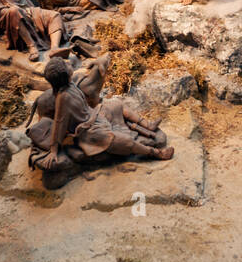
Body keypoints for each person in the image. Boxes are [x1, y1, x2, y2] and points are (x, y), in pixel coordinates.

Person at [26, 58, 173, 188]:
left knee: (116, 104)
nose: (69, 63)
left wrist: (95, 63)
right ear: (64, 76)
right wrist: (53, 149)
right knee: (123, 141)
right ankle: (156, 153)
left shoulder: (71, 85)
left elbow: (86, 83)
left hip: (95, 115)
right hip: (90, 132)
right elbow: (59, 123)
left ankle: (147, 125)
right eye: (66, 64)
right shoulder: (62, 98)